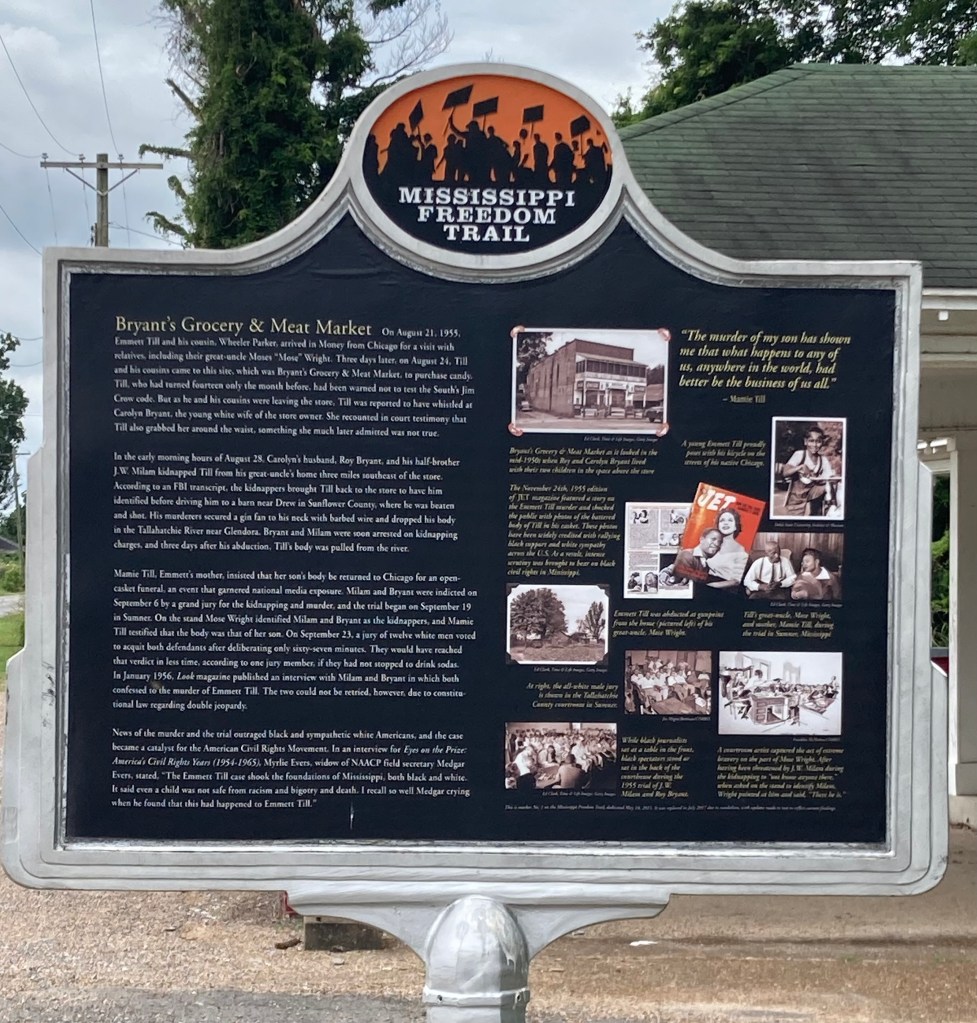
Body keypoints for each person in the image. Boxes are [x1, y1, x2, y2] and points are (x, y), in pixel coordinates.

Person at [779, 426, 837, 516]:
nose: (815, 445)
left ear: (822, 443)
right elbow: (785, 472)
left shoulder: (823, 460)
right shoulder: (800, 455)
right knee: (795, 520)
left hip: (814, 493)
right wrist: (800, 467)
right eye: (811, 441)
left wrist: (831, 480)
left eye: (818, 441)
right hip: (797, 496)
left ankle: (828, 510)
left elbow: (829, 478)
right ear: (805, 442)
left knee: (828, 488)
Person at [707, 508, 749, 584]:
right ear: (718, 525)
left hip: (721, 587)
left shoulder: (740, 551)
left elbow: (736, 581)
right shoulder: (711, 544)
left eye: (730, 520)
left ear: (736, 526)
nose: (725, 523)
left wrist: (711, 585)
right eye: (722, 520)